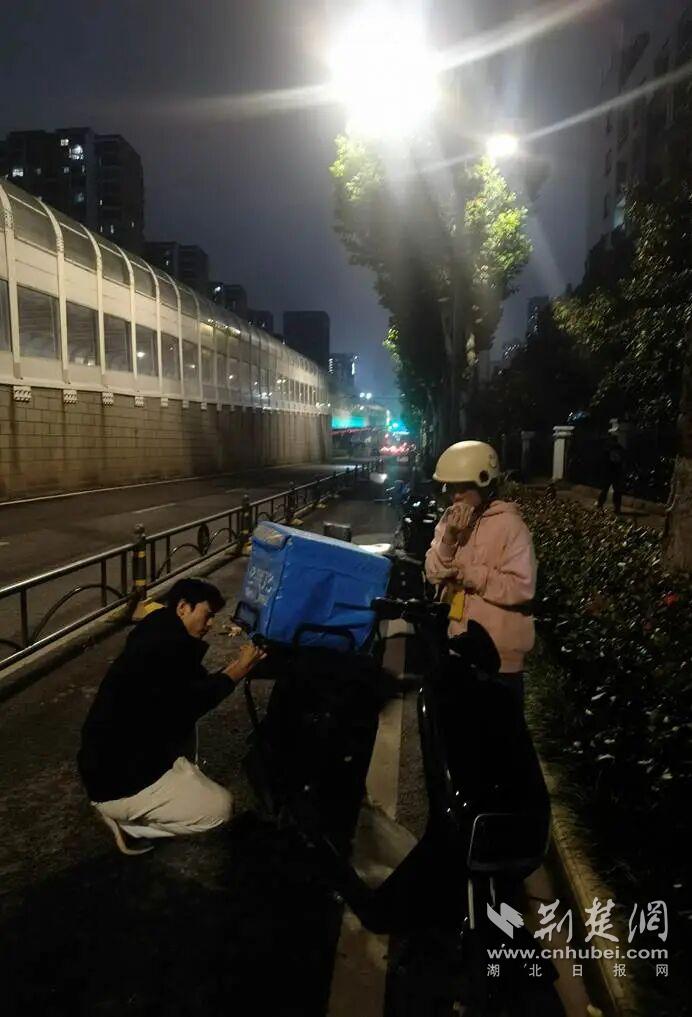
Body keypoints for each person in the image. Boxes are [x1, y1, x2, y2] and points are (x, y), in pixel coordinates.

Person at [77, 578, 265, 855]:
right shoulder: (161, 650)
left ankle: (161, 792)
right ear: (183, 607)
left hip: (113, 758)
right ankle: (131, 826)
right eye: (207, 614)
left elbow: (195, 688)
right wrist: (239, 669)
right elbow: (192, 702)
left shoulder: (160, 631)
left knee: (186, 728)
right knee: (220, 809)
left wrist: (236, 666)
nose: (210, 623)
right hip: (117, 779)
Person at [424, 440, 536, 709]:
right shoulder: (450, 520)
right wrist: (449, 538)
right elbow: (433, 571)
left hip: (499, 655)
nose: (455, 495)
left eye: (463, 487)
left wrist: (470, 574)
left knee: (499, 729)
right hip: (460, 645)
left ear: (484, 484)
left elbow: (522, 587)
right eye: (451, 487)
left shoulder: (510, 526)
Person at [596, 432, 625, 514]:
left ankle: (600, 505)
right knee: (616, 491)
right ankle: (617, 508)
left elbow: (603, 462)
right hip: (616, 472)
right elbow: (622, 460)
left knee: (605, 489)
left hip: (609, 472)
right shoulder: (619, 449)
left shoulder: (607, 449)